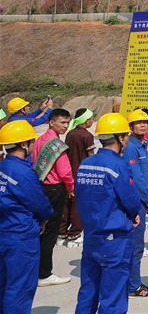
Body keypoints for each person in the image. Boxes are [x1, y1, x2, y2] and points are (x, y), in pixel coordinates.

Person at [73, 113, 141, 314]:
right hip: (114, 239)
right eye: (126, 136)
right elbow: (131, 199)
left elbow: (81, 194)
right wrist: (135, 213)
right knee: (113, 295)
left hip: (92, 234)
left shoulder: (86, 164)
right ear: (120, 138)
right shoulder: (118, 165)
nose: (127, 140)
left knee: (89, 289)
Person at [0, 121, 53, 314]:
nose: (32, 145)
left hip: (4, 231)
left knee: (4, 284)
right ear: (23, 144)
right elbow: (39, 202)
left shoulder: (3, 166)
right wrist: (46, 217)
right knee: (20, 287)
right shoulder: (23, 171)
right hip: (20, 236)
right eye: (31, 141)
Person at [33, 108, 73, 287]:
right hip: (55, 190)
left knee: (41, 229)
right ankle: (45, 273)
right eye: (62, 122)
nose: (65, 126)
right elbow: (65, 171)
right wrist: (71, 188)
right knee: (50, 232)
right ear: (51, 122)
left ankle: (36, 269)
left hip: (41, 187)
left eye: (67, 122)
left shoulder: (40, 139)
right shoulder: (56, 144)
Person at [122, 109, 148, 298]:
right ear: (131, 126)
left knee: (135, 244)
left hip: (139, 200)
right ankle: (133, 286)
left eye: (145, 122)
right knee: (135, 245)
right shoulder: (131, 147)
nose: (142, 124)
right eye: (138, 122)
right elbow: (136, 178)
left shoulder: (142, 144)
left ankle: (131, 281)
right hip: (136, 201)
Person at [59, 108, 95, 247]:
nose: (92, 121)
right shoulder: (87, 136)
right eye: (91, 118)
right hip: (82, 174)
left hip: (69, 171)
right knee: (78, 205)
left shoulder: (70, 134)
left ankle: (61, 232)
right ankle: (74, 234)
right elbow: (91, 156)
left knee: (67, 203)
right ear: (86, 121)